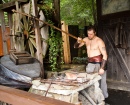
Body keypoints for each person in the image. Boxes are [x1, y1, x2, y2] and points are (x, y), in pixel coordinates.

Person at [74, 25, 108, 99]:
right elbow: (76, 47)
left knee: (102, 82)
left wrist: (102, 68)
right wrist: (77, 41)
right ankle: (93, 97)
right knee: (90, 81)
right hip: (90, 63)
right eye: (88, 34)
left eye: (91, 34)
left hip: (99, 64)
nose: (89, 35)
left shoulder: (99, 41)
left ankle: (104, 98)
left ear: (95, 33)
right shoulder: (85, 39)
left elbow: (105, 55)